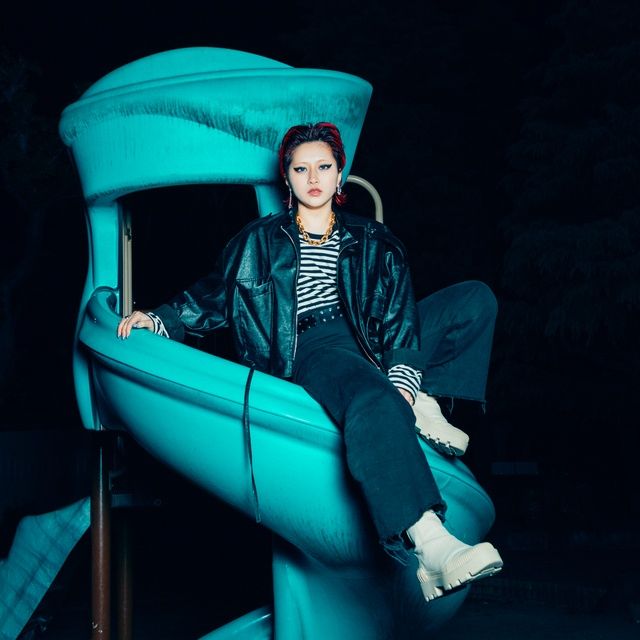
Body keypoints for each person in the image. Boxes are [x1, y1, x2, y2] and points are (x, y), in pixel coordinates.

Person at [117, 122, 503, 601]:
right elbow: (214, 295)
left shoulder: (372, 238)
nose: (314, 178)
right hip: (315, 345)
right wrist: (159, 319)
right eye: (301, 169)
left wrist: (403, 379)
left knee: (474, 300)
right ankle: (431, 546)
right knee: (370, 396)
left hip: (373, 338)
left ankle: (417, 397)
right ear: (287, 177)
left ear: (340, 173)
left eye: (324, 166)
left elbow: (399, 312)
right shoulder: (259, 243)